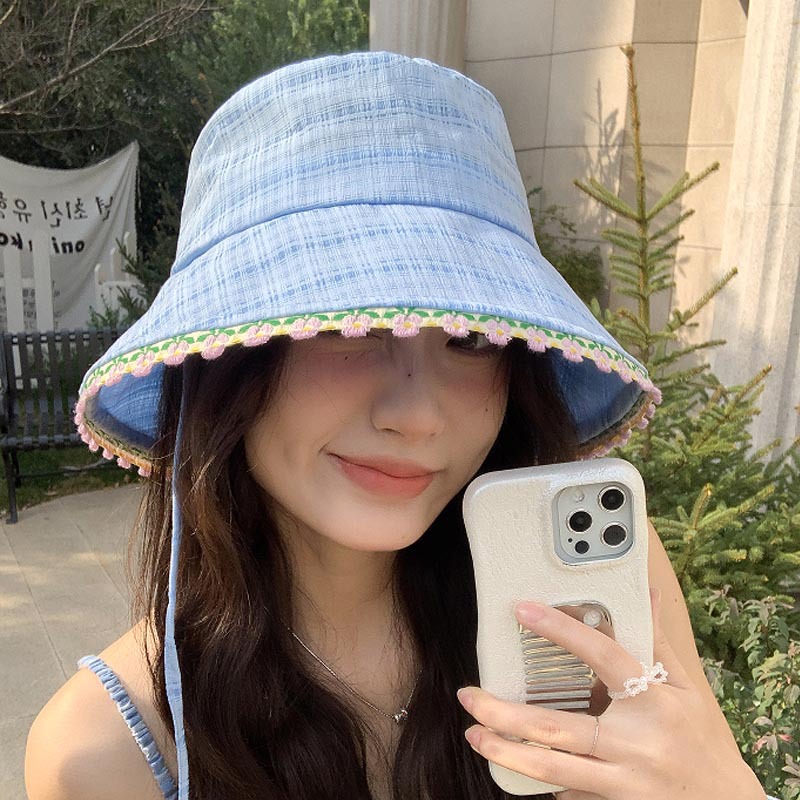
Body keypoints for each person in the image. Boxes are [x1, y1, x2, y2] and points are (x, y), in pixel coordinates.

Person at [25, 51, 776, 800]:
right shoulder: (106, 754)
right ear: (228, 366)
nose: (417, 416)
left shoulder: (598, 599)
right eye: (348, 329)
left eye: (471, 339)